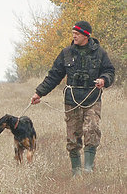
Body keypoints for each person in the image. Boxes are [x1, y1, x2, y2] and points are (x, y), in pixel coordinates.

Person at [30, 21, 115, 176]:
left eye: (77, 34)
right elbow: (54, 76)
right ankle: (76, 172)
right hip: (72, 100)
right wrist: (39, 93)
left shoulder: (100, 53)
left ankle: (88, 168)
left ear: (86, 36)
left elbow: (110, 71)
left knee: (92, 130)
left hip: (92, 98)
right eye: (73, 34)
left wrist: (104, 79)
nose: (74, 36)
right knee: (72, 137)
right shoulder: (66, 53)